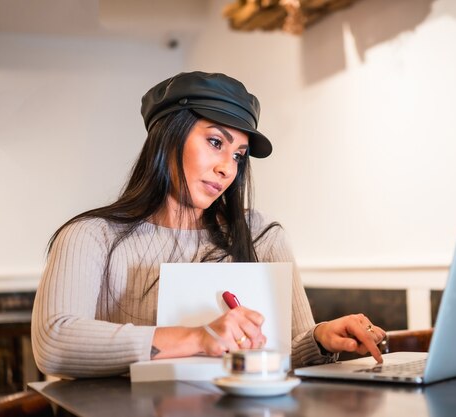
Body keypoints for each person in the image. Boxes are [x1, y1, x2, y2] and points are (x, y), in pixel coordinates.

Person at [31, 71, 386, 378]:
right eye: (215, 142)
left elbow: (284, 353)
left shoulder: (263, 236)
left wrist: (321, 338)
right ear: (167, 138)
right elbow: (55, 343)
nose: (227, 168)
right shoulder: (90, 236)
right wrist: (198, 337)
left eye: (238, 155)